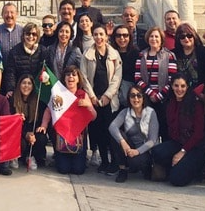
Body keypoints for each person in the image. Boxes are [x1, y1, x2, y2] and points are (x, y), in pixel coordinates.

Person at [150, 73, 205, 186]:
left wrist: (182, 152)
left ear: (187, 87)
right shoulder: (170, 102)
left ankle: (197, 169)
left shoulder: (196, 104)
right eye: (176, 86)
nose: (179, 89)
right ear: (172, 86)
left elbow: (198, 133)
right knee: (157, 152)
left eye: (183, 86)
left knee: (177, 180)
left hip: (196, 146)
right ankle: (179, 166)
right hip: (179, 143)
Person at [37, 66, 96, 175]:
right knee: (63, 170)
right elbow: (48, 110)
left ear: (78, 79)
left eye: (74, 75)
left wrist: (89, 105)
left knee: (78, 170)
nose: (71, 77)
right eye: (68, 75)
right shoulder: (58, 93)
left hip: (78, 138)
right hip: (61, 137)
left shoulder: (83, 94)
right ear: (64, 78)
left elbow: (93, 117)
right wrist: (44, 125)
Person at [81, 24, 122, 175]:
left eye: (101, 34)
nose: (98, 37)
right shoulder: (87, 54)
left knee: (110, 130)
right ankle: (103, 161)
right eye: (96, 34)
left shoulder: (114, 54)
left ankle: (114, 162)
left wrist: (107, 95)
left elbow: (117, 78)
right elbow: (83, 77)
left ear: (106, 36)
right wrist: (91, 96)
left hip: (109, 99)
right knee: (98, 132)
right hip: (94, 98)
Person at [108, 85, 159, 183]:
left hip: (145, 150)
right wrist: (123, 142)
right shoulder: (125, 112)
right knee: (116, 135)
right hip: (130, 147)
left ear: (143, 98)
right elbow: (112, 127)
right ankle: (122, 169)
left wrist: (137, 151)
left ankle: (145, 167)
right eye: (132, 96)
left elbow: (153, 140)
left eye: (139, 96)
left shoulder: (151, 112)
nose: (136, 99)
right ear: (129, 98)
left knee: (138, 161)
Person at [135, 27, 177, 139]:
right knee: (148, 130)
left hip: (164, 98)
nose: (154, 39)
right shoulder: (142, 55)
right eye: (151, 36)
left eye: (156, 36)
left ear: (161, 39)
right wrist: (150, 93)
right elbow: (138, 77)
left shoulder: (169, 55)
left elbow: (173, 78)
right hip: (147, 98)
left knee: (164, 128)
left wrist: (159, 95)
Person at [11, 74, 48, 168]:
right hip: (19, 132)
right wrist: (25, 134)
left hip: (33, 131)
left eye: (29, 83)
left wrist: (32, 134)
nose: (26, 86)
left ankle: (30, 156)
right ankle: (15, 157)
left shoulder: (38, 100)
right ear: (19, 85)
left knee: (41, 138)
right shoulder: (12, 99)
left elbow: (39, 122)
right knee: (21, 142)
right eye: (23, 83)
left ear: (33, 86)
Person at [3, 22, 46, 97]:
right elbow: (11, 72)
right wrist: (11, 88)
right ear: (23, 35)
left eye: (34, 34)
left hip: (37, 91)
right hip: (20, 90)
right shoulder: (15, 51)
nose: (31, 36)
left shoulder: (43, 50)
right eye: (28, 34)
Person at [173, 23, 205, 91]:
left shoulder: (204, 52)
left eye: (189, 35)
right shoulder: (173, 54)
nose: (186, 39)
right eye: (182, 37)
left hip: (201, 93)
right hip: (179, 93)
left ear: (194, 36)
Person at [110, 24, 140, 108]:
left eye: (125, 35)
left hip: (129, 93)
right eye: (118, 35)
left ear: (130, 37)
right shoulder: (110, 52)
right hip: (112, 91)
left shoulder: (136, 53)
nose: (122, 38)